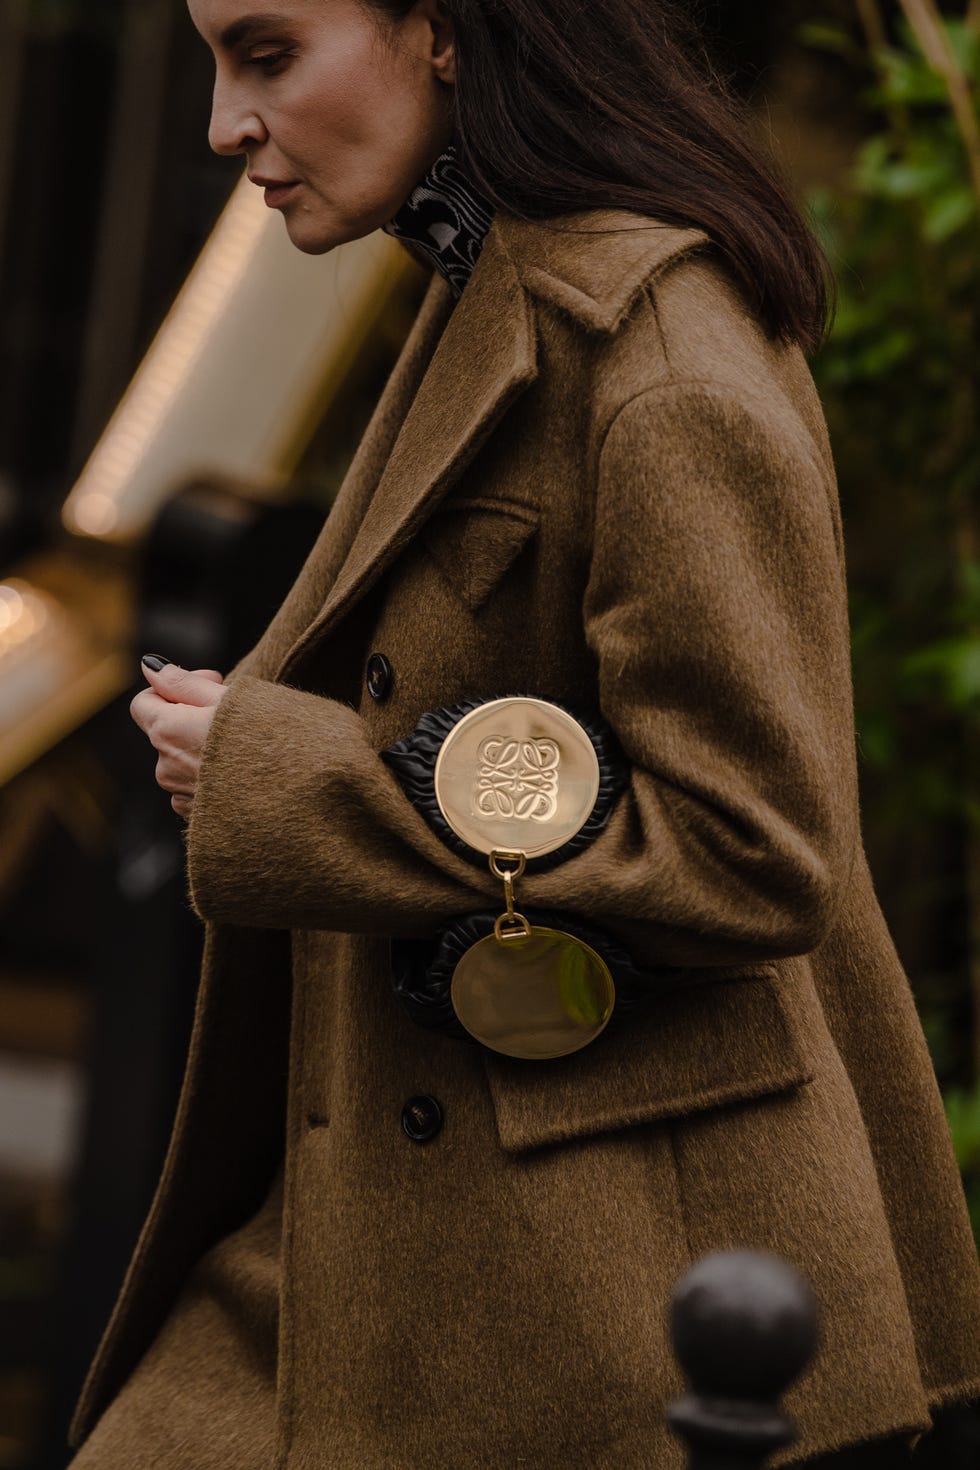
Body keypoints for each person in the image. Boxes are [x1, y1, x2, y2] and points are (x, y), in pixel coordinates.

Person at [68, 0, 980, 1466]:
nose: (225, 124)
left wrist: (300, 781)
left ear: (438, 29)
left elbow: (755, 848)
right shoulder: (487, 284)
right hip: (380, 1229)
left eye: (268, 52)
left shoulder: (661, 356)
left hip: (608, 1294)